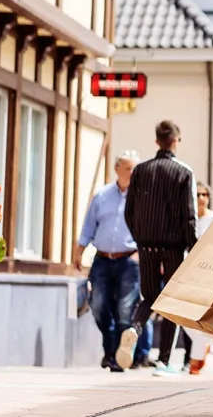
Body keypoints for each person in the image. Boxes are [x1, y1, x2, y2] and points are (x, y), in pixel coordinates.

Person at [116, 120, 198, 375]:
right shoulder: (184, 172)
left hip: (147, 245)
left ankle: (135, 328)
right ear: (175, 141)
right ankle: (164, 360)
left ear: (156, 142)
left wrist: (140, 238)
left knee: (149, 296)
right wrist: (192, 247)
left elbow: (129, 211)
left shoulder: (140, 171)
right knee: (172, 301)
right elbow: (189, 214)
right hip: (174, 247)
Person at [76, 151, 141, 372]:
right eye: (128, 168)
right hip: (102, 259)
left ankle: (114, 357)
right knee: (98, 306)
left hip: (128, 261)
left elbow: (147, 230)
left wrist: (140, 254)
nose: (132, 173)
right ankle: (112, 351)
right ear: (117, 169)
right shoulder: (102, 195)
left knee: (125, 310)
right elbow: (89, 226)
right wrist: (79, 251)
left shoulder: (141, 197)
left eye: (134, 168)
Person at [186, 183, 213, 375]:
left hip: (210, 273)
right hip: (188, 272)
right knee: (181, 316)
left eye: (204, 194)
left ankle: (195, 359)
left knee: (202, 316)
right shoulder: (188, 219)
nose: (201, 198)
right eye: (197, 194)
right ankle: (202, 345)